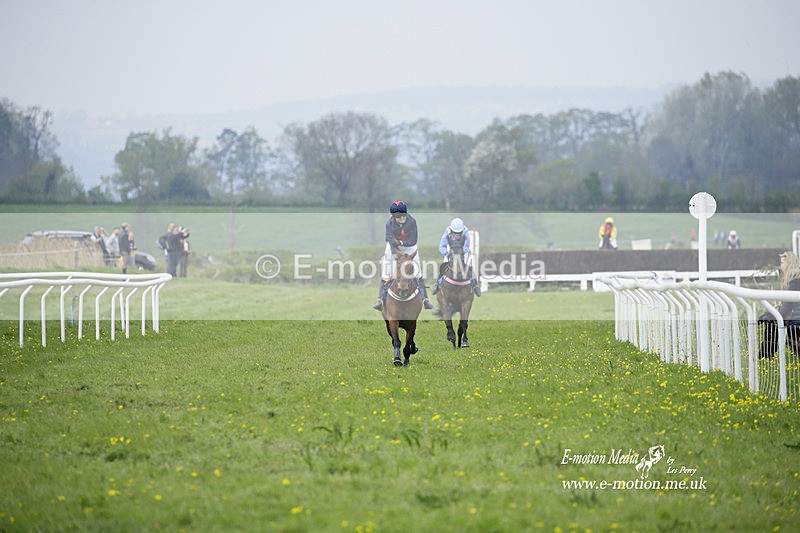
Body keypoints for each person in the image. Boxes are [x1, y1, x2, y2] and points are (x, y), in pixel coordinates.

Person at [372, 201, 434, 311]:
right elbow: (390, 240)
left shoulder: (412, 221)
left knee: (418, 273)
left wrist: (401, 243)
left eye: (402, 215)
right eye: (397, 216)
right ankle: (381, 300)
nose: (400, 218)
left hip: (410, 247)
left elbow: (413, 240)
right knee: (386, 273)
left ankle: (425, 299)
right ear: (393, 216)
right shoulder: (389, 224)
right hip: (393, 249)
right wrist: (395, 254)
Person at [759, 251, 800, 359]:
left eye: (782, 263)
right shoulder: (795, 277)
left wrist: (776, 317)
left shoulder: (793, 279)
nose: (780, 266)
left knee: (771, 329)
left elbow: (788, 304)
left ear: (788, 263)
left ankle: (765, 358)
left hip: (796, 321)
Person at [431, 217, 481, 297]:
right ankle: (438, 284)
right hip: (451, 251)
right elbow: (441, 247)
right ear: (451, 230)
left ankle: (475, 285)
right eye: (455, 232)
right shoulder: (447, 232)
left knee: (469, 266)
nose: (457, 234)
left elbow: (466, 247)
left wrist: (459, 254)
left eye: (459, 232)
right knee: (444, 265)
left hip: (462, 252)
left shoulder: (465, 232)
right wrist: (448, 254)